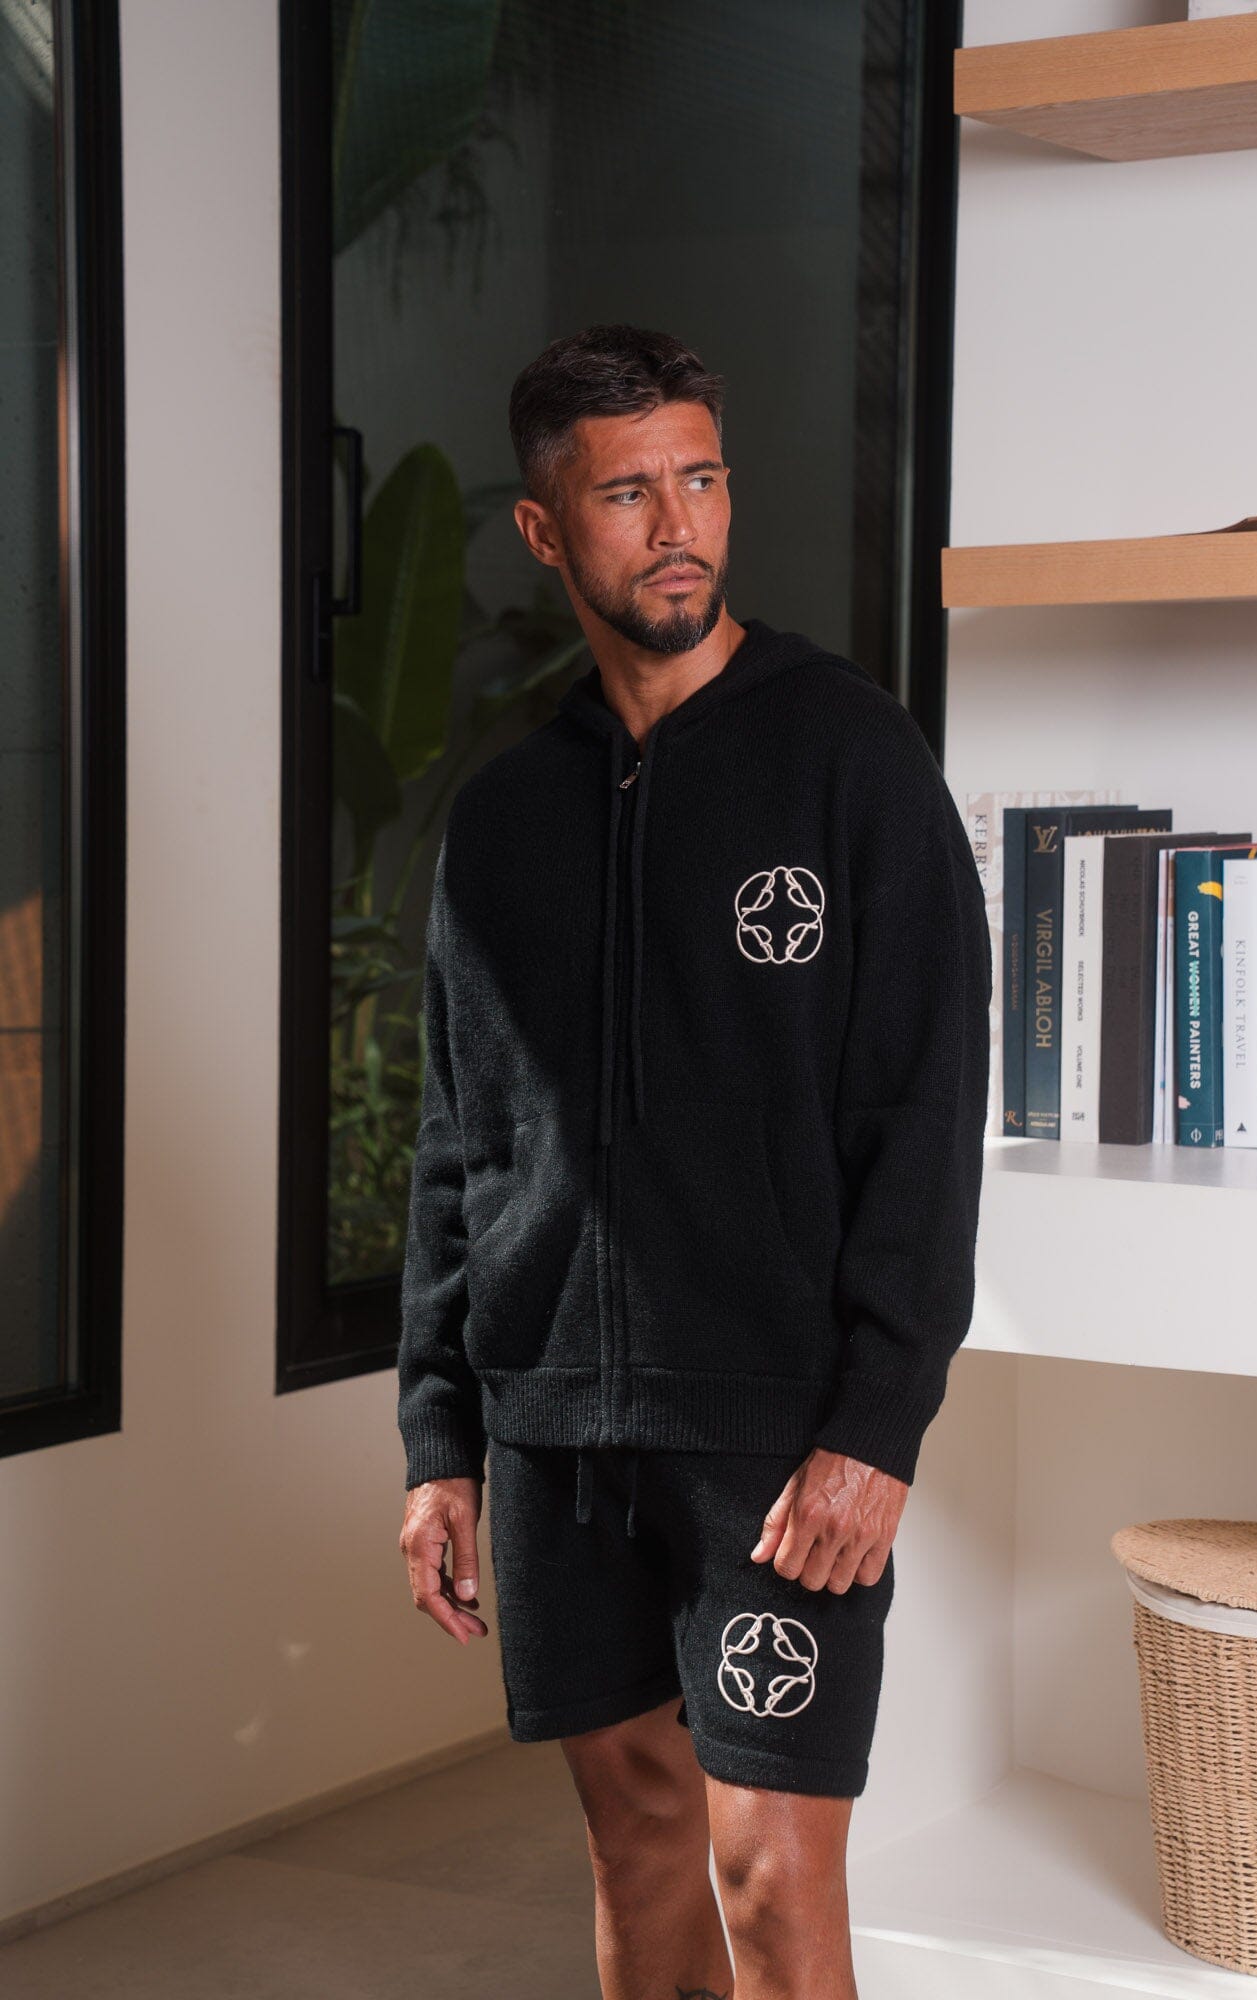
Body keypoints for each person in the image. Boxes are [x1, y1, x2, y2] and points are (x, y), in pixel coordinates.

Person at [397, 323, 991, 2000]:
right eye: (626, 493)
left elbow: (925, 1116)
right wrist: (440, 1441)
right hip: (553, 1430)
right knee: (638, 1840)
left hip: (773, 1436)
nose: (678, 526)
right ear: (544, 528)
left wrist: (875, 1424)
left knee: (772, 1875)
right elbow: (457, 1140)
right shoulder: (503, 823)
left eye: (701, 478)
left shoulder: (850, 759)